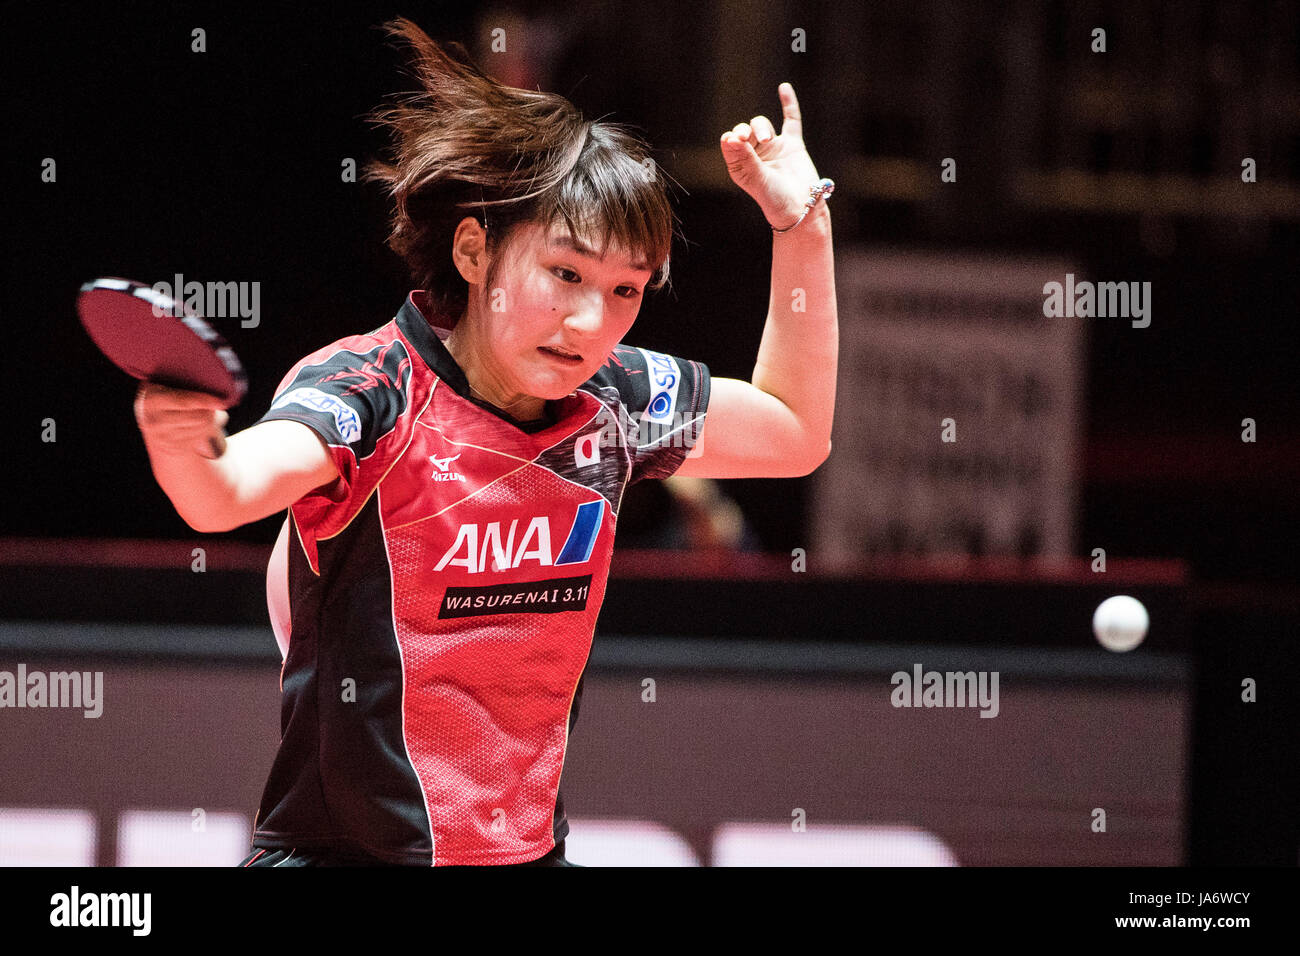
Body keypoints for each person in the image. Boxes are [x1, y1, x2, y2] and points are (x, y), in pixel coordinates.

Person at [133, 18, 837, 866]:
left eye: (625, 289)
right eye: (565, 274)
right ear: (474, 248)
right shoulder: (372, 390)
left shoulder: (613, 402)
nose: (590, 322)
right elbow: (222, 491)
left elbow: (794, 432)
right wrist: (182, 441)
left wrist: (802, 225)